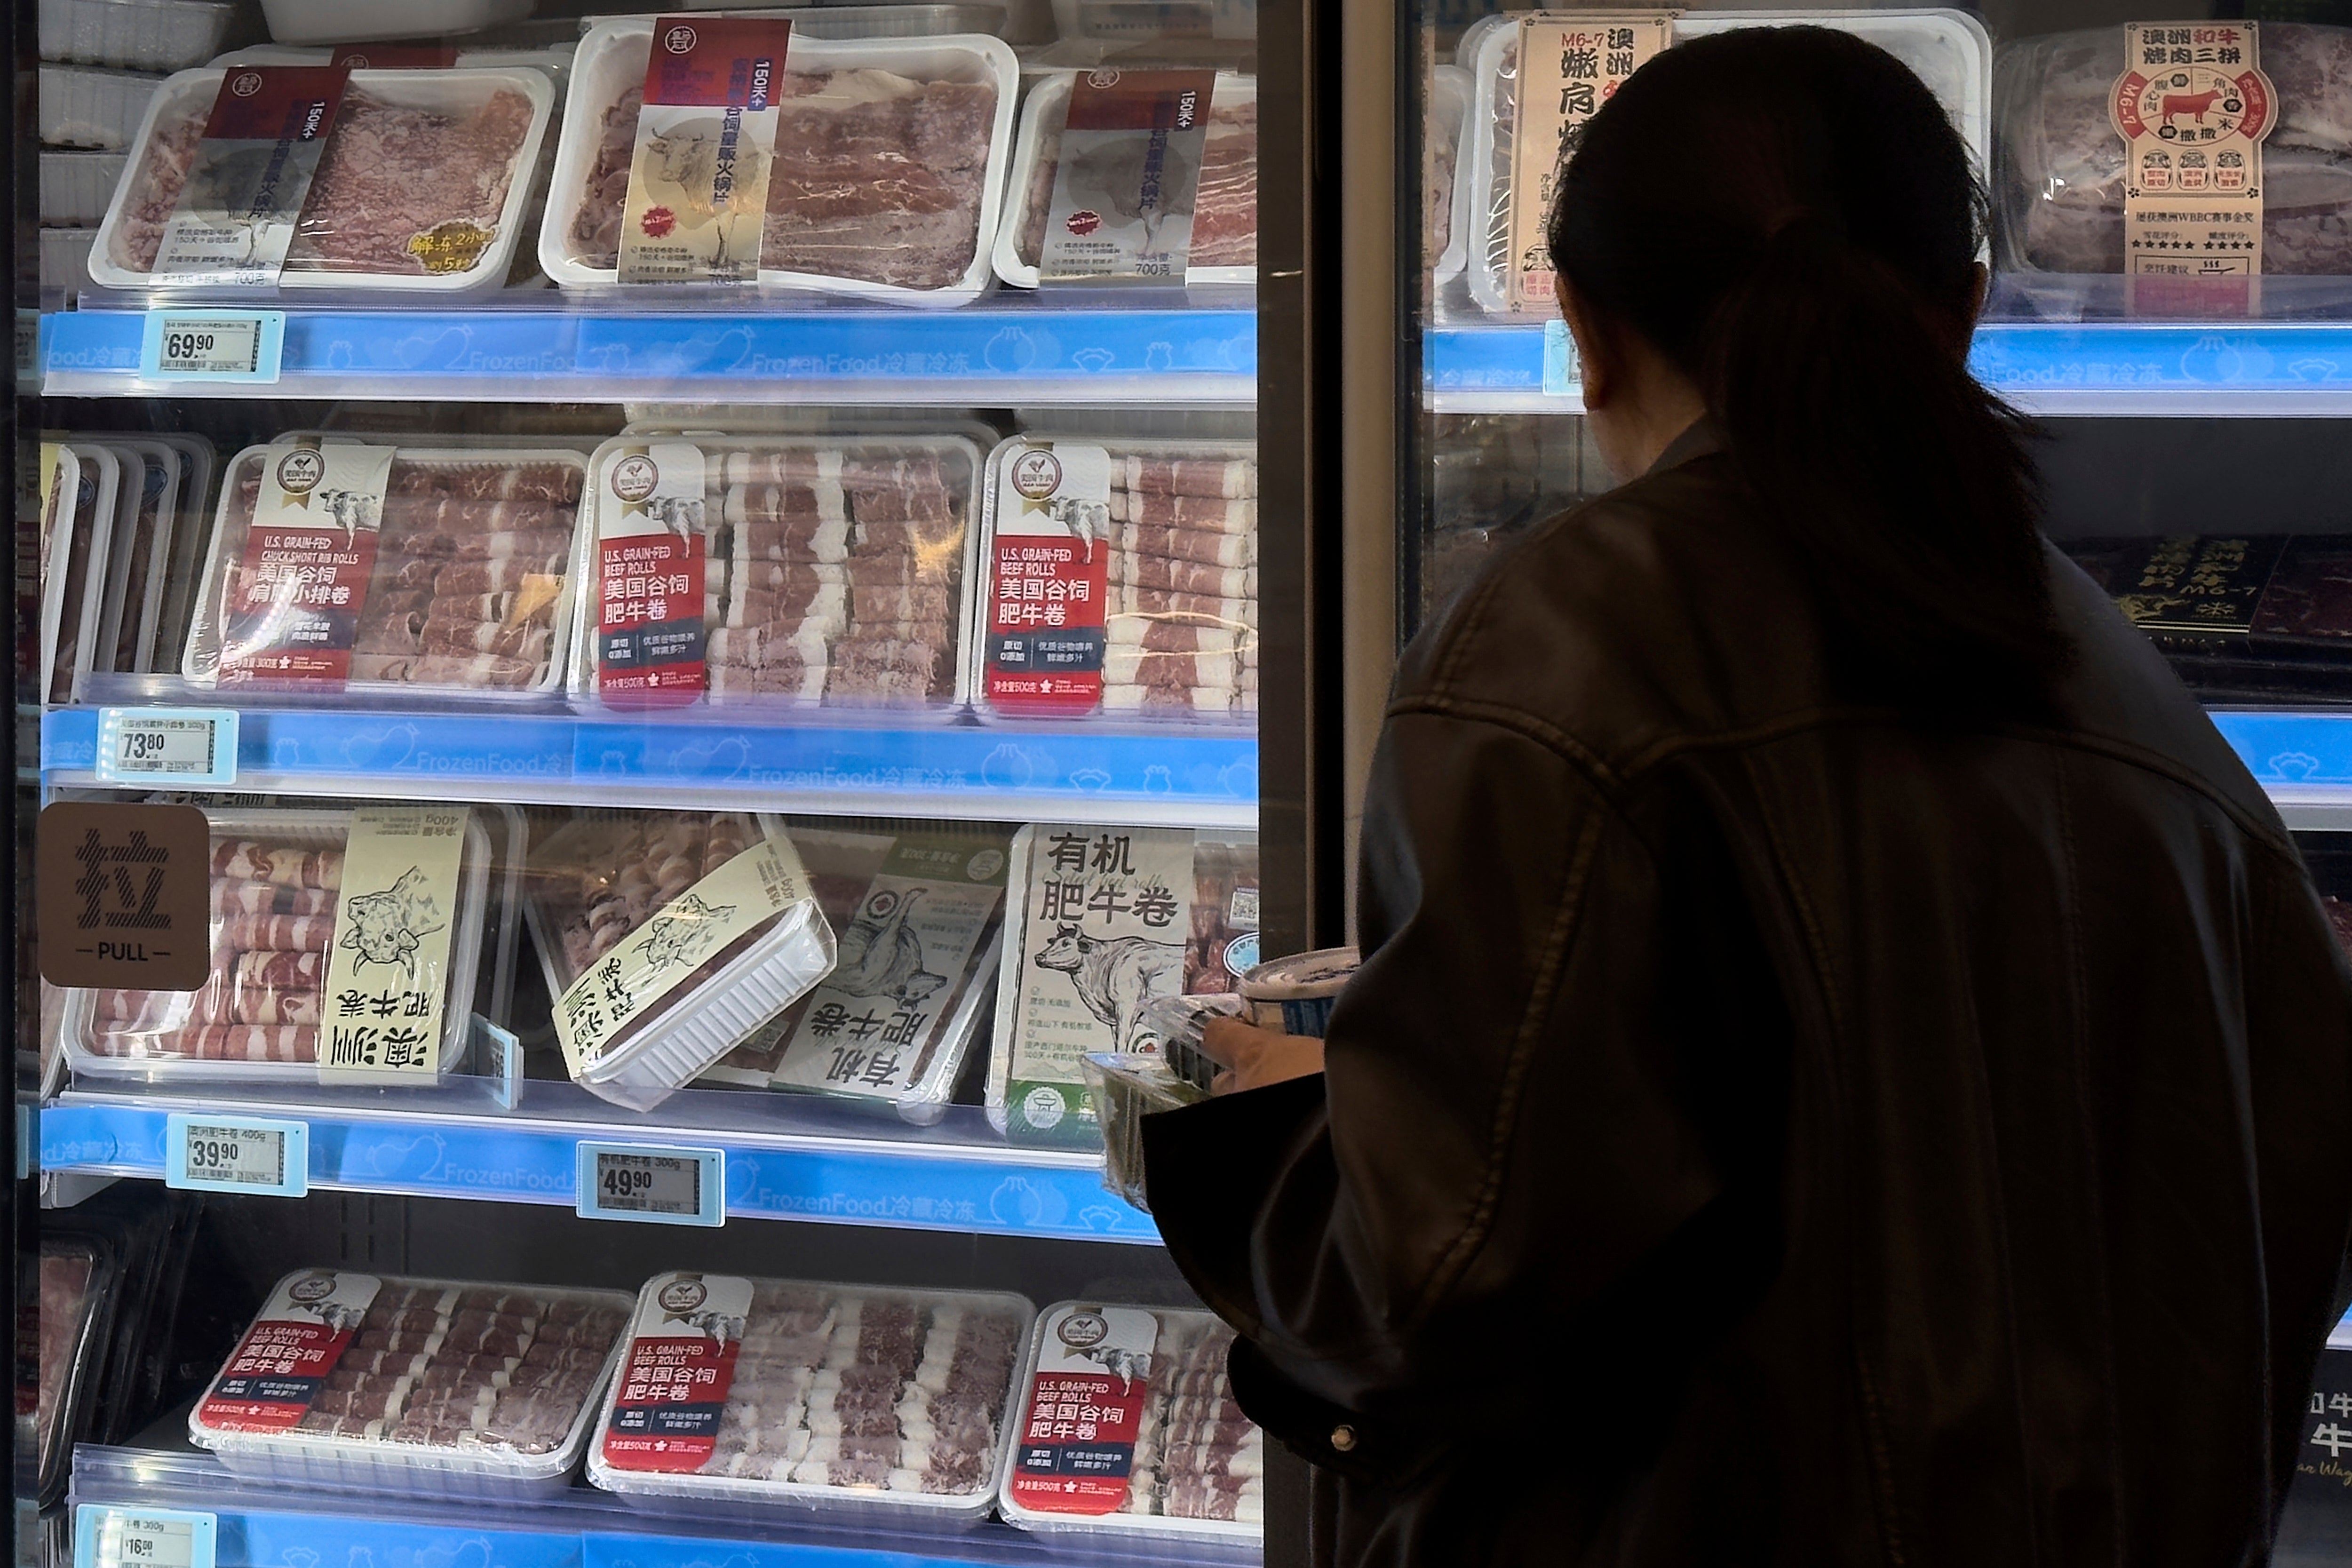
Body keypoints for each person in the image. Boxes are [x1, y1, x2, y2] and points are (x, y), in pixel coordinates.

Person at [1140, 24, 2352, 1568]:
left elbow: (1435, 1279)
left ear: (1581, 325)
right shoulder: (2147, 717)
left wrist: (1261, 1125)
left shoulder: (1563, 644)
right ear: (1963, 317)